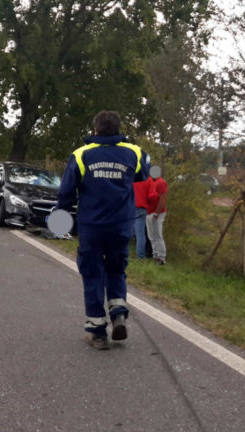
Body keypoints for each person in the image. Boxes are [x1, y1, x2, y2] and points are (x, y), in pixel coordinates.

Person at [57, 111, 149, 350]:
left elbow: (67, 192)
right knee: (117, 269)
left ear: (95, 130)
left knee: (93, 274)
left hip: (92, 227)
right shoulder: (135, 152)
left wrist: (60, 218)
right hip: (121, 225)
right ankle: (118, 312)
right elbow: (142, 176)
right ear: (118, 130)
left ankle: (97, 332)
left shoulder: (81, 155)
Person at [146, 166, 168, 265]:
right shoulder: (150, 181)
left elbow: (162, 200)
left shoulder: (161, 182)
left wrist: (157, 213)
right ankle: (155, 255)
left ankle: (161, 257)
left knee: (157, 235)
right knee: (151, 235)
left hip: (157, 213)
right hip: (149, 211)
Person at [132, 176, 152, 258]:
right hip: (141, 209)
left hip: (129, 208)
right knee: (140, 234)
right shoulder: (148, 180)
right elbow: (153, 195)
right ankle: (140, 256)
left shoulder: (129, 176)